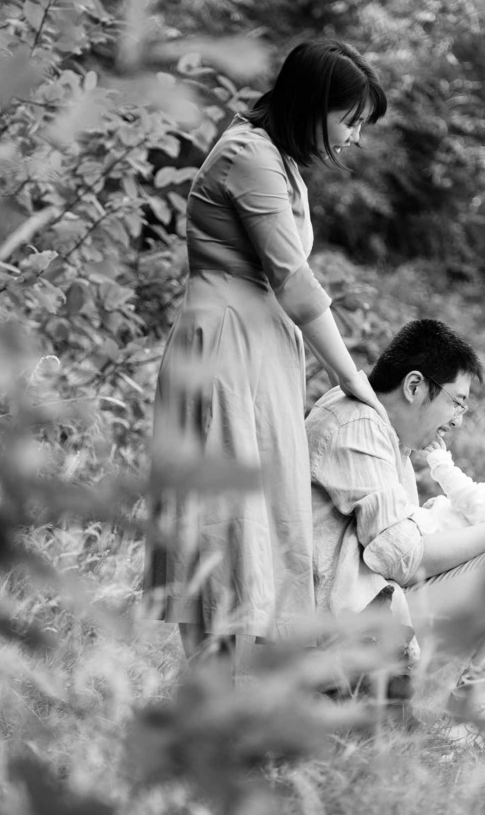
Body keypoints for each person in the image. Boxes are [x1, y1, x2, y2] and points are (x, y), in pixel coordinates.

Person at [142, 39, 389, 665]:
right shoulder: (247, 155)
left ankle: (234, 717)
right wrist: (352, 375)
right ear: (313, 104)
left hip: (259, 356)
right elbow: (295, 283)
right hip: (226, 356)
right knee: (222, 529)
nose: (355, 136)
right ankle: (207, 720)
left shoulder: (279, 159)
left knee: (252, 532)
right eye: (351, 119)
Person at [306, 319, 485, 755]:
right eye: (457, 402)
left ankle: (467, 717)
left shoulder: (386, 435)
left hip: (379, 610)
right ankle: (466, 719)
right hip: (343, 627)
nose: (457, 420)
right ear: (415, 386)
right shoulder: (356, 427)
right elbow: (405, 560)